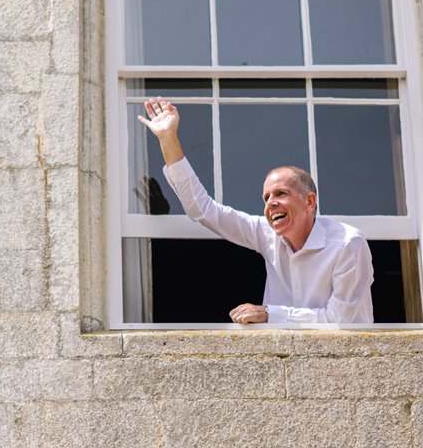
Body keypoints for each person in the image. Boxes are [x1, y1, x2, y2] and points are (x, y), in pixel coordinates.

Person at [138, 96, 374, 324]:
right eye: (266, 197)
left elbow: (339, 321)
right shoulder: (265, 232)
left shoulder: (348, 244)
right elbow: (203, 209)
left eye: (281, 193)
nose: (270, 203)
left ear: (309, 202)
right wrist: (168, 139)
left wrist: (270, 314)